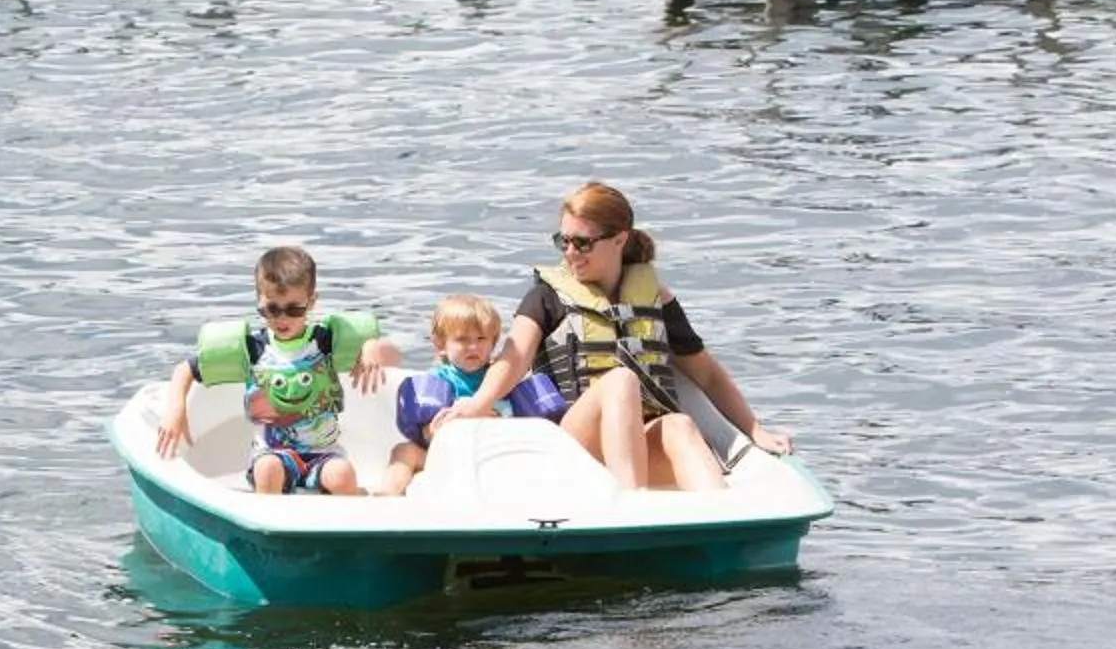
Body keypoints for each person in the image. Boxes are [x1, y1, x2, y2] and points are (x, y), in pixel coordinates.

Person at [444, 181, 790, 492]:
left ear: (620, 239)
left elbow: (708, 375)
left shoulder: (655, 298)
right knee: (621, 380)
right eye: (562, 242)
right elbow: (515, 356)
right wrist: (478, 405)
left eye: (582, 243)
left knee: (680, 425)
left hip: (637, 442)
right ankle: (632, 504)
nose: (570, 253)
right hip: (572, 445)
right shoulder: (547, 296)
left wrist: (755, 429)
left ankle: (721, 525)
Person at [154, 244, 400, 496]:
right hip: (272, 453)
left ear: (312, 301)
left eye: (294, 309)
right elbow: (187, 369)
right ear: (259, 301)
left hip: (323, 455)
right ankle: (268, 529)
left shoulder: (325, 342)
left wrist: (372, 347)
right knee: (268, 469)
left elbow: (394, 355)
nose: (282, 319)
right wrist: (176, 409)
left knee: (342, 474)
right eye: (272, 309)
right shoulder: (252, 348)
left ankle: (350, 525)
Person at [377, 293, 568, 498]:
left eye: (481, 338)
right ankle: (387, 497)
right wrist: (432, 430)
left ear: (493, 342)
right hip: (451, 458)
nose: (473, 346)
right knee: (404, 452)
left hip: (498, 457)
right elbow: (426, 433)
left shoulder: (504, 379)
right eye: (462, 339)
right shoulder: (436, 381)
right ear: (440, 344)